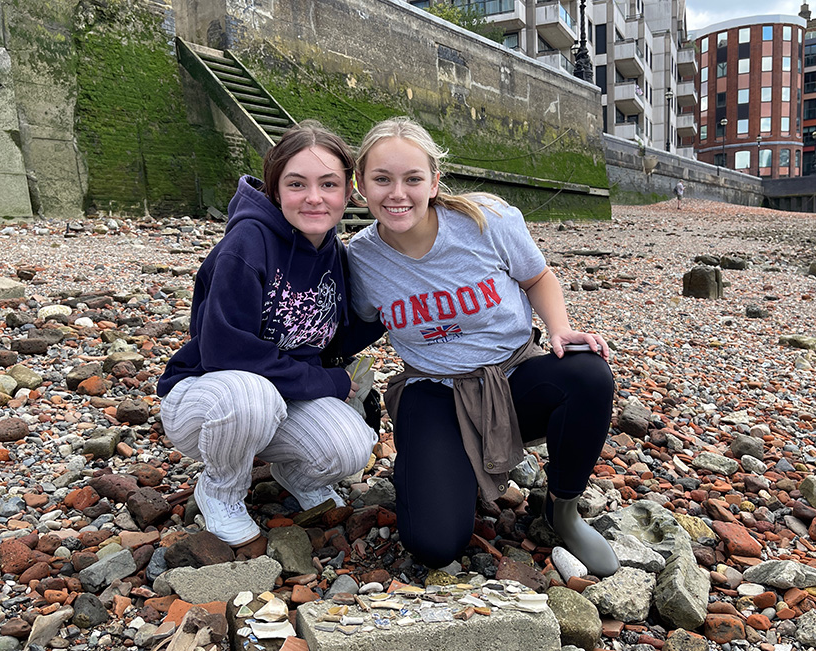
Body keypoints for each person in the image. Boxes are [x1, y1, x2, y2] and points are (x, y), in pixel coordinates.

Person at [347, 117, 619, 576]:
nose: (398, 193)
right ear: (360, 185)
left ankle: (562, 509)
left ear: (434, 182)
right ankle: (454, 469)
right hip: (434, 391)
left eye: (413, 178)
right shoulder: (361, 256)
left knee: (588, 372)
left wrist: (559, 329)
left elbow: (538, 277)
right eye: (382, 179)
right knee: (434, 545)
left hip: (512, 376)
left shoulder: (485, 220)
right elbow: (355, 326)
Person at [157, 121, 381, 547]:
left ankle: (292, 474)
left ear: (348, 191)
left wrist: (387, 311)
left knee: (352, 446)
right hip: (207, 395)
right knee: (251, 395)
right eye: (297, 184)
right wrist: (327, 382)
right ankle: (221, 489)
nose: (314, 198)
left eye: (328, 184)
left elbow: (324, 340)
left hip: (279, 396)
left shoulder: (333, 252)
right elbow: (225, 349)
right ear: (276, 190)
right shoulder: (249, 241)